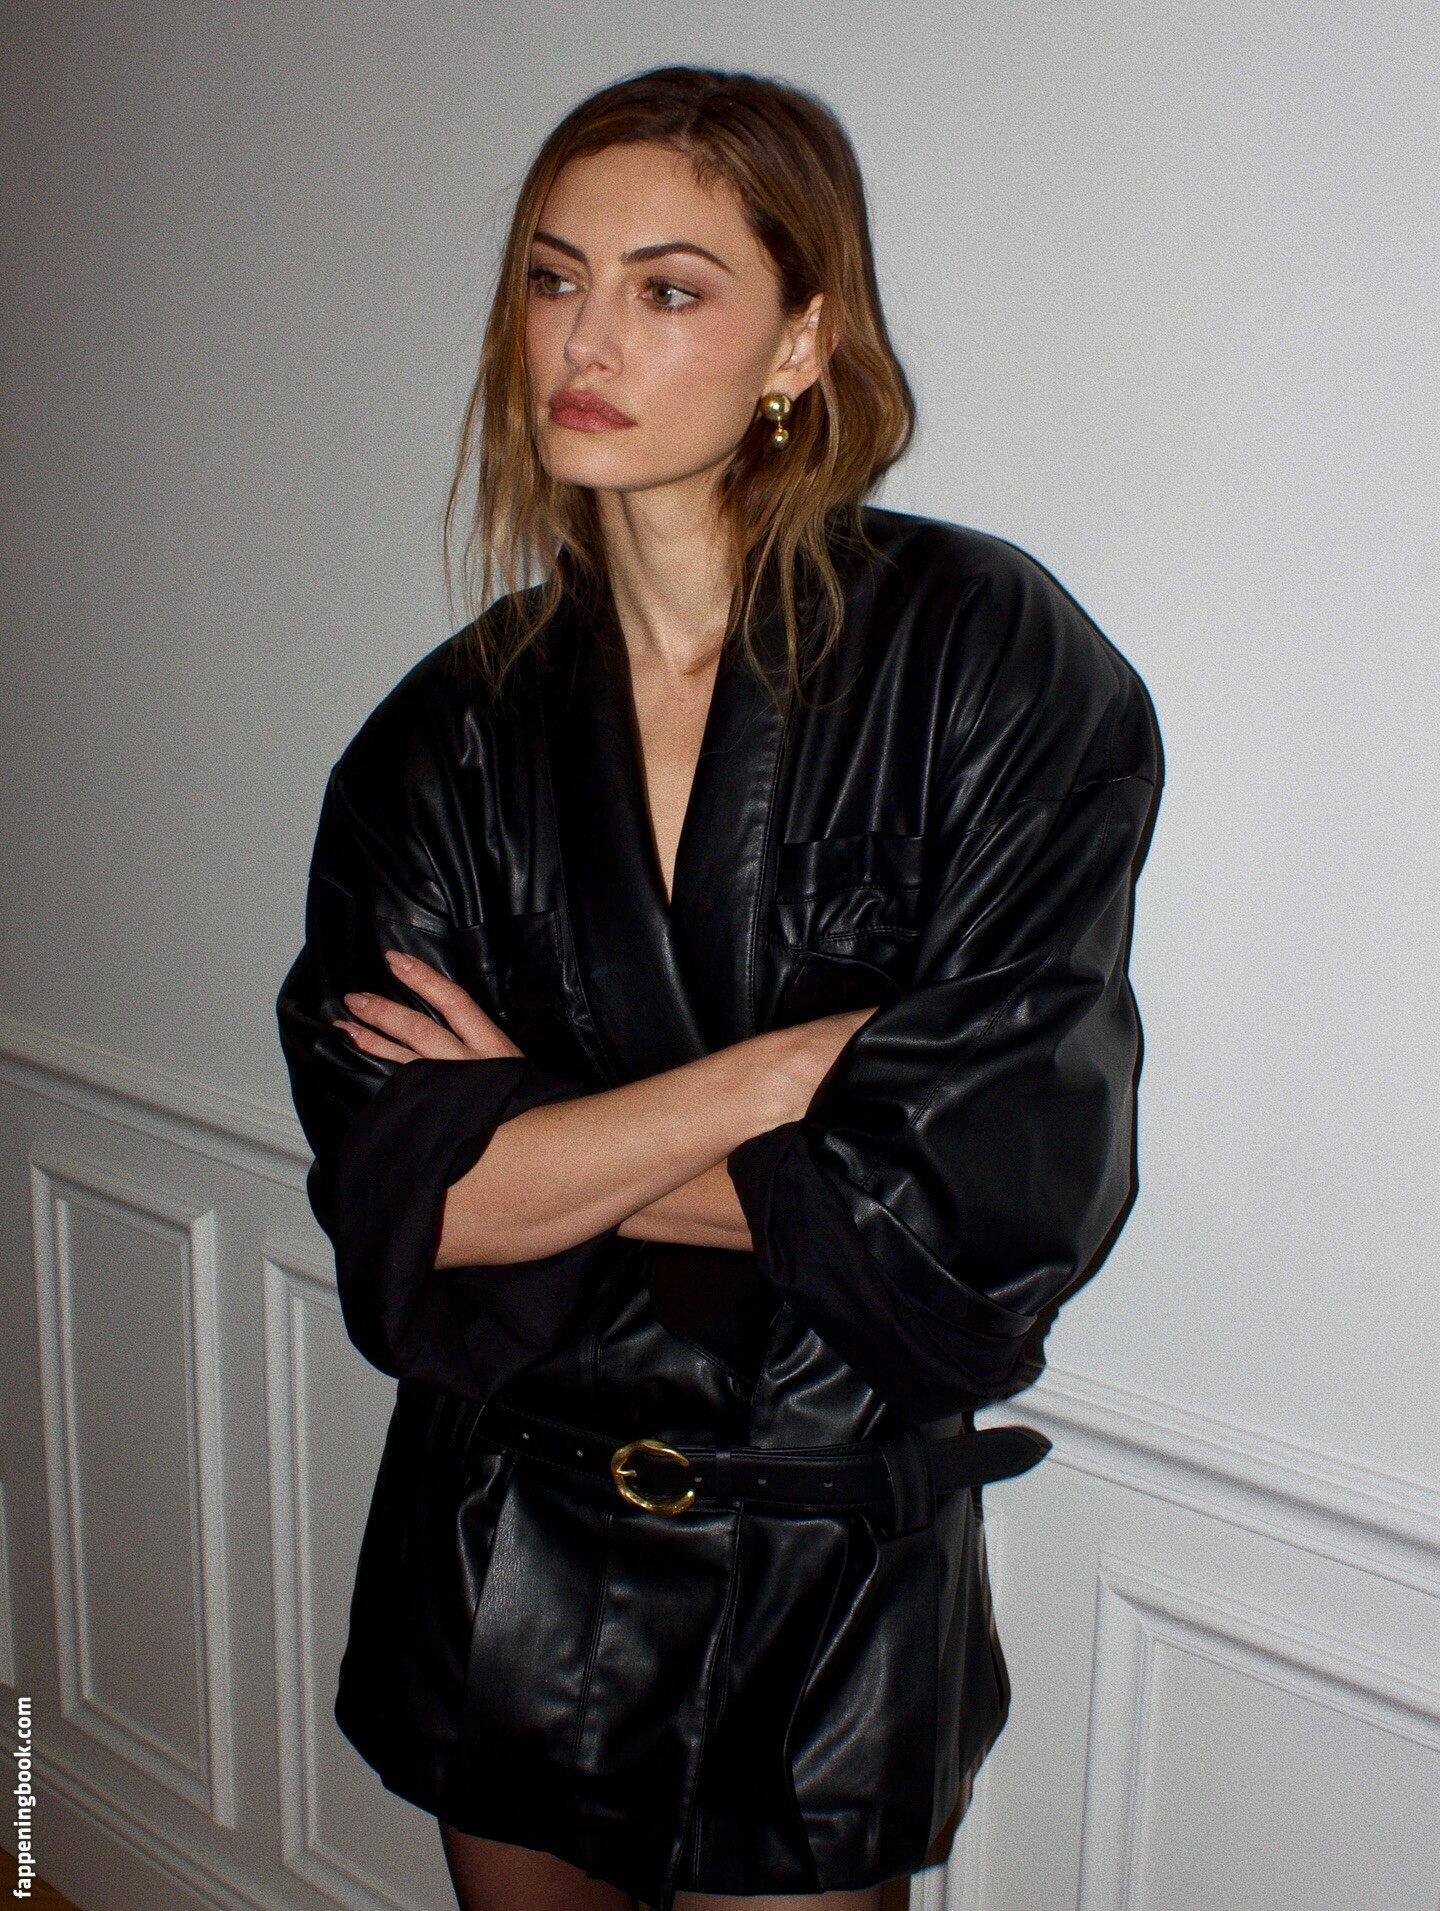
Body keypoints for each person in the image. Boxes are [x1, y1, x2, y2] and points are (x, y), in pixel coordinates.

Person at [276, 64, 1162, 1911]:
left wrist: (541, 1132)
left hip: (824, 1569)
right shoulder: (446, 738)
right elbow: (404, 1191)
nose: (585, 339)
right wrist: (788, 1078)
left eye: (668, 288)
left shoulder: (984, 659)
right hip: (499, 1541)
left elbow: (985, 1195)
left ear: (800, 340)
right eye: (553, 278)